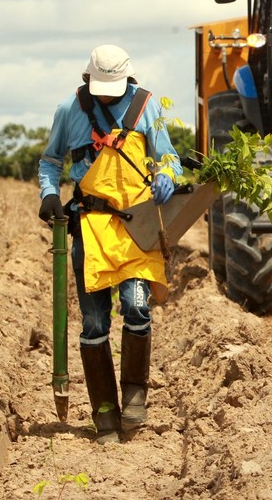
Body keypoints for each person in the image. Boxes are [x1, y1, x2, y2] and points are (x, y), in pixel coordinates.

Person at [37, 44, 182, 443]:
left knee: (136, 306)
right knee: (95, 322)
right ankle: (104, 411)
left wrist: (167, 175)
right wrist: (49, 194)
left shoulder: (146, 107)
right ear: (88, 79)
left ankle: (135, 394)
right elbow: (50, 161)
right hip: (90, 226)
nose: (105, 96)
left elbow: (169, 157)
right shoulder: (69, 110)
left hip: (137, 226)